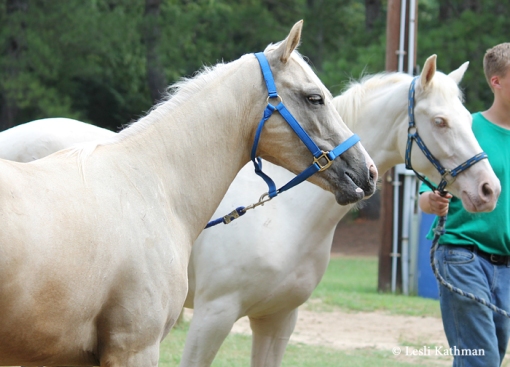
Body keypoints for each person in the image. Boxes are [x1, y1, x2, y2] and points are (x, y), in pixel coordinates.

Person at [419, 42, 510, 367]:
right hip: (462, 254)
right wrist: (431, 201)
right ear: (496, 81)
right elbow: (424, 197)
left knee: (490, 357)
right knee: (480, 359)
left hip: (507, 266)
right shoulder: (466, 128)